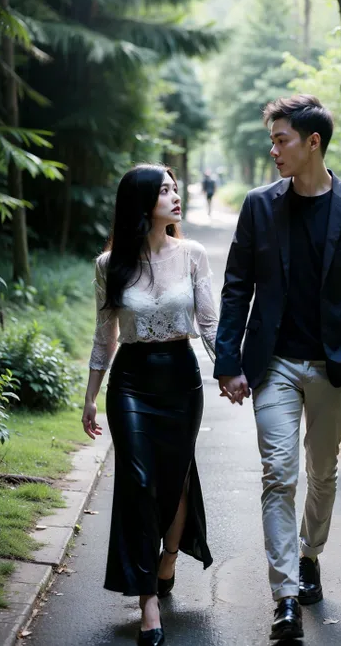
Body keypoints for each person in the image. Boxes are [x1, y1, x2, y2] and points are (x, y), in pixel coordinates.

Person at [214, 94, 341, 641]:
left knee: (321, 473)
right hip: (272, 366)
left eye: (281, 139)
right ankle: (286, 596)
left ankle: (310, 553)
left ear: (312, 142)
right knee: (278, 475)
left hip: (334, 368)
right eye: (272, 140)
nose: (273, 150)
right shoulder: (259, 204)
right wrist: (229, 362)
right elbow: (236, 287)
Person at [82, 163, 217, 646]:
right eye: (164, 190)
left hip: (181, 381)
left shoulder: (193, 254)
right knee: (138, 481)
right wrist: (91, 398)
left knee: (176, 482)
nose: (175, 196)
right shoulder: (109, 264)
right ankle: (148, 602)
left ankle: (168, 560)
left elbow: (210, 326)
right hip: (131, 384)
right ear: (141, 202)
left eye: (176, 188)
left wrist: (233, 372)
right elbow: (105, 337)